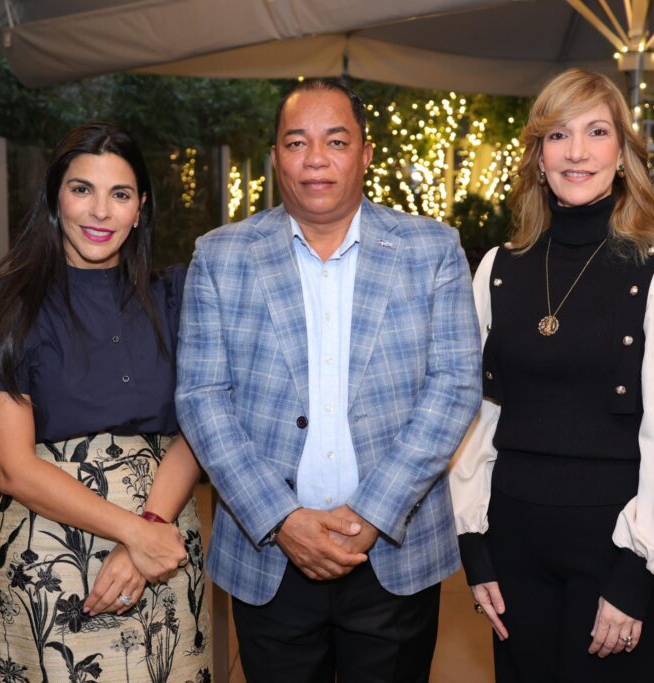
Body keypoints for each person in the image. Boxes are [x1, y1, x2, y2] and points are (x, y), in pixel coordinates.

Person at [175, 79, 481, 683]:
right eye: (297, 142)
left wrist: (371, 515)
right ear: (275, 157)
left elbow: (454, 388)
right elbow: (202, 398)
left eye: (336, 141)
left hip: (393, 553)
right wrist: (282, 519)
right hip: (270, 553)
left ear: (365, 155)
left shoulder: (432, 249)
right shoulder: (220, 256)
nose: (315, 158)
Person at [450, 68, 654, 682]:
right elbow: (477, 419)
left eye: (596, 132)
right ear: (538, 157)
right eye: (558, 135)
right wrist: (474, 545)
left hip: (617, 542)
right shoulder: (497, 268)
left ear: (622, 154)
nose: (576, 152)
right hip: (514, 539)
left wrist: (636, 574)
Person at [0, 123, 210, 683]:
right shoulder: (1, 305)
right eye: (81, 190)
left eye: (120, 194)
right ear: (55, 198)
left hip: (165, 542)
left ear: (140, 208)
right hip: (52, 555)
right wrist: (134, 533)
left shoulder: (177, 297)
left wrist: (150, 527)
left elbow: (199, 426)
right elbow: (11, 468)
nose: (100, 211)